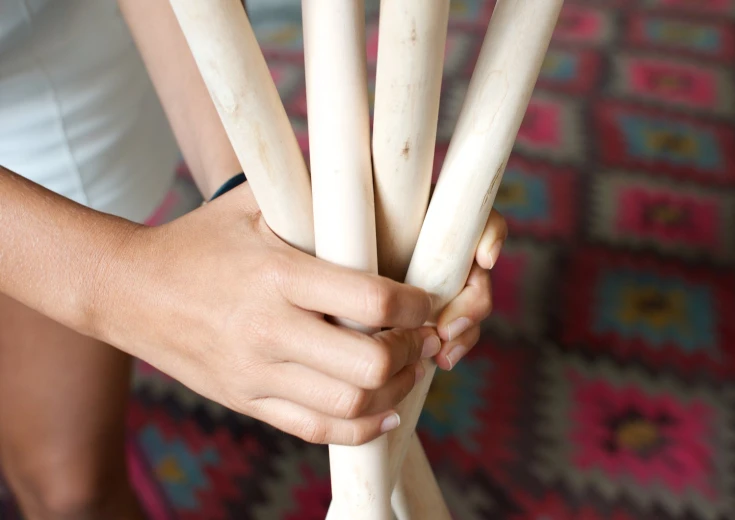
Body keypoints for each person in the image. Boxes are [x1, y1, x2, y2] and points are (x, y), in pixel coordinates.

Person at [0, 1, 508, 518]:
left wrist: (260, 204)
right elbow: (115, 285)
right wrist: (124, 286)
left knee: (69, 491)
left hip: (48, 56)